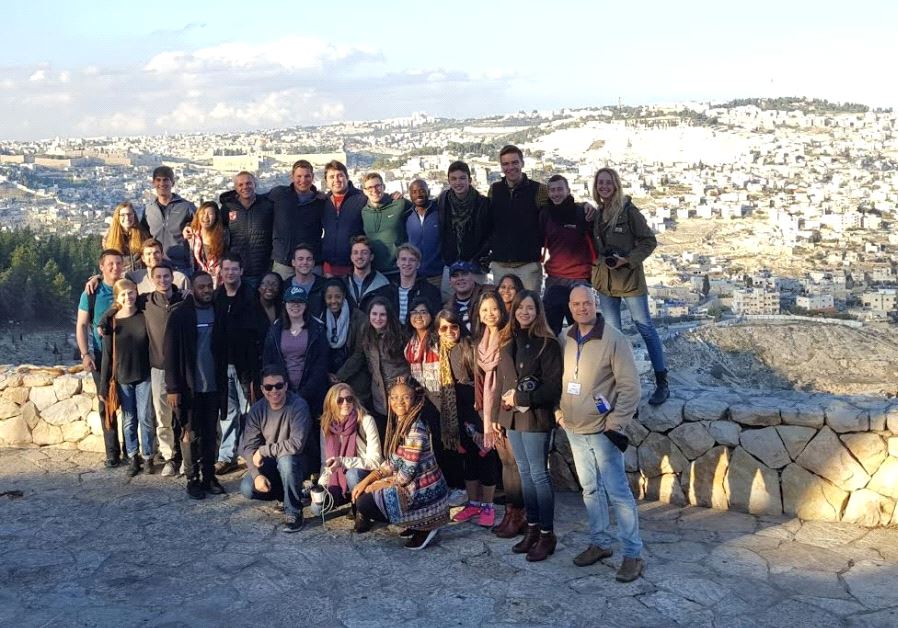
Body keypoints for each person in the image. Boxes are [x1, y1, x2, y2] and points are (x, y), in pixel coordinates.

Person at [558, 285, 644, 582]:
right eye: (576, 304)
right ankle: (600, 543)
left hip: (603, 430)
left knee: (618, 493)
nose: (582, 308)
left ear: (596, 304)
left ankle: (633, 554)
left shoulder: (614, 339)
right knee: (590, 490)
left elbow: (630, 386)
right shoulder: (566, 337)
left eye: (587, 303)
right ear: (570, 307)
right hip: (574, 428)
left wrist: (616, 422)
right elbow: (562, 378)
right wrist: (560, 411)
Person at [591, 167, 669, 405]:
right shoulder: (597, 213)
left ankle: (662, 382)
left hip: (629, 279)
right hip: (606, 282)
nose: (604, 186)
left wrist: (628, 259)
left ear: (616, 185)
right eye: (600, 183)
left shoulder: (628, 211)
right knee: (614, 334)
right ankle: (621, 384)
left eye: (608, 182)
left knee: (645, 327)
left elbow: (649, 241)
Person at [496, 290, 562, 561]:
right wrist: (500, 416)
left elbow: (552, 386)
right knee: (524, 474)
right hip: (513, 418)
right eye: (520, 307)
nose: (524, 312)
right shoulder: (509, 340)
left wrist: (521, 397)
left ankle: (547, 534)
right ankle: (532, 529)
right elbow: (503, 382)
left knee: (538, 476)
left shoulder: (547, 344)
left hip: (535, 418)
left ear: (538, 311)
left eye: (530, 307)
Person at [350, 379, 450, 550]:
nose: (399, 402)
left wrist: (376, 485)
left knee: (365, 503)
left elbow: (406, 474)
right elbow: (393, 461)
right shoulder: (401, 423)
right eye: (394, 397)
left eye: (405, 397)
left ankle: (427, 526)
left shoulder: (415, 428)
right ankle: (416, 523)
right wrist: (366, 481)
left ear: (415, 400)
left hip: (423, 490)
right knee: (364, 492)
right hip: (413, 485)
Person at [164, 271, 227, 499]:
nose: (207, 290)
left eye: (209, 286)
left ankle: (208, 476)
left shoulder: (218, 312)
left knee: (211, 434)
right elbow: (169, 355)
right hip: (189, 388)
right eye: (201, 287)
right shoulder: (180, 315)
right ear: (192, 288)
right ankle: (192, 479)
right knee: (188, 433)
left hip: (212, 386)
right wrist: (172, 388)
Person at [436, 309, 499, 526]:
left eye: (453, 326)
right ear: (438, 331)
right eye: (444, 328)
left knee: (486, 457)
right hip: (458, 414)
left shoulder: (469, 346)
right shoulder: (441, 352)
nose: (450, 331)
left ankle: (488, 506)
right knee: (468, 460)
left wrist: (483, 418)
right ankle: (473, 503)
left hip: (478, 411)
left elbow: (481, 383)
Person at [262, 284, 330, 471]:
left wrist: (304, 392)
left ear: (306, 305)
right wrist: (280, 389)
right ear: (285, 304)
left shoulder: (316, 328)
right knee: (286, 433)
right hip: (282, 390)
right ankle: (287, 471)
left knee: (310, 433)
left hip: (311, 390)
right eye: (291, 302)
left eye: (300, 302)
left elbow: (321, 363)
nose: (295, 305)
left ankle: (314, 472)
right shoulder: (276, 329)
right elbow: (269, 360)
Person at [240, 365, 312, 533]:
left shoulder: (298, 406)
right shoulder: (257, 409)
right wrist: (256, 475)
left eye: (279, 385)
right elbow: (248, 447)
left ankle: (294, 511)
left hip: (298, 460)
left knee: (286, 460)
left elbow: (296, 444)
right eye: (268, 387)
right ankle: (284, 496)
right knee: (247, 487)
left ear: (286, 386)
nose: (274, 391)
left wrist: (263, 451)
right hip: (273, 463)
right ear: (262, 389)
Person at [99, 279, 154, 477]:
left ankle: (148, 456)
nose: (128, 297)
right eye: (123, 294)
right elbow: (107, 355)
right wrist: (104, 384)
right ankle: (133, 456)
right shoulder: (111, 322)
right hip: (122, 377)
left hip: (144, 375)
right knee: (129, 420)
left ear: (136, 293)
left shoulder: (144, 316)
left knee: (146, 418)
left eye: (130, 293)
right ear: (117, 298)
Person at [335, 296, 409, 441]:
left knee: (402, 436)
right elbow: (358, 356)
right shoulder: (366, 332)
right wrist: (340, 376)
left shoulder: (400, 333)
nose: (378, 318)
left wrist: (407, 379)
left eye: (382, 314)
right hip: (379, 395)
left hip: (400, 390)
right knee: (384, 436)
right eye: (374, 314)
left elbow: (411, 361)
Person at [76, 249, 124, 467]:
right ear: (101, 267)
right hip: (100, 355)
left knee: (131, 404)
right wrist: (85, 354)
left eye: (119, 263)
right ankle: (112, 453)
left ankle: (133, 452)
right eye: (110, 264)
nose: (115, 267)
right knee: (106, 402)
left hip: (126, 354)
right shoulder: (91, 293)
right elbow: (81, 325)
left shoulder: (127, 288)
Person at [213, 253, 261, 475]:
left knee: (250, 413)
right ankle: (227, 456)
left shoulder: (252, 297)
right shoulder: (216, 297)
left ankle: (252, 455)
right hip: (223, 364)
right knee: (228, 413)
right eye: (226, 269)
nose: (230, 273)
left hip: (246, 366)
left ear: (242, 271)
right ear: (221, 272)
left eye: (234, 269)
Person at [138, 261, 184, 477]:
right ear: (153, 278)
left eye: (166, 276)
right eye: (159, 277)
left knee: (184, 414)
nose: (163, 280)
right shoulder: (145, 301)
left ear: (172, 277)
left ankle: (186, 457)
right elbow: (121, 298)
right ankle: (169, 458)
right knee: (162, 416)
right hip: (158, 367)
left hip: (183, 367)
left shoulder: (184, 300)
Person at [472, 291, 511, 530]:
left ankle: (518, 511)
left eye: (494, 309)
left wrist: (501, 410)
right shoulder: (481, 340)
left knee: (512, 463)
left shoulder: (509, 337)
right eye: (485, 310)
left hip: (505, 406)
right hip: (486, 407)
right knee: (500, 460)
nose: (490, 314)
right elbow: (479, 376)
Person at [488, 145, 548, 293]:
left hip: (527, 265)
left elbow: (557, 205)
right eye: (505, 164)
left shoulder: (538, 190)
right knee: (502, 310)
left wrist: (584, 206)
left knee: (529, 309)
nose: (510, 167)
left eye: (514, 162)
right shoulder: (495, 190)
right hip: (500, 264)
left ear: (522, 163)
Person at [541, 175, 595, 334]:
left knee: (583, 328)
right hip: (555, 278)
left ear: (568, 190)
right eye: (552, 190)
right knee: (549, 329)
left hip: (580, 279)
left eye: (559, 189)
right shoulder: (545, 214)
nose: (556, 194)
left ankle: (584, 359)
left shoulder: (581, 212)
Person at [317, 383, 383, 509]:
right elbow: (324, 461)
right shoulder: (326, 425)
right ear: (331, 403)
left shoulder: (365, 420)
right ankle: (344, 495)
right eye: (340, 400)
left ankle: (360, 510)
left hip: (364, 473)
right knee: (317, 508)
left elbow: (375, 461)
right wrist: (322, 483)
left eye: (349, 399)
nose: (345, 403)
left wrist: (342, 462)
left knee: (352, 474)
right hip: (336, 477)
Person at [436, 160, 491, 297]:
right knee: (449, 304)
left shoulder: (482, 203)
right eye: (453, 179)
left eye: (462, 178)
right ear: (448, 181)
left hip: (475, 265)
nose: (458, 183)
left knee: (476, 304)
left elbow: (490, 234)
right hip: (451, 264)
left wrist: (479, 258)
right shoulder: (443, 200)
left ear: (470, 180)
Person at [269, 160, 325, 280]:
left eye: (307, 176)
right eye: (299, 176)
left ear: (313, 177)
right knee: (282, 295)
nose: (303, 180)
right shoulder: (279, 195)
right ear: (292, 177)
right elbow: (257, 202)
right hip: (284, 261)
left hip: (311, 261)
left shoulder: (321, 201)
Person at [219, 171, 273, 291]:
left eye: (248, 183)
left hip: (262, 269)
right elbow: (215, 228)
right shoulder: (228, 207)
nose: (245, 187)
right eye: (240, 185)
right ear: (235, 188)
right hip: (237, 271)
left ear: (255, 184)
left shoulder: (267, 206)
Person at [140, 165, 195, 273]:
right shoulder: (148, 209)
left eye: (166, 180)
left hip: (181, 266)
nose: (162, 184)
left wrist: (189, 226)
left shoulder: (186, 206)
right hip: (156, 267)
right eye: (158, 180)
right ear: (153, 183)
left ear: (172, 183)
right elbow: (142, 234)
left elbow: (201, 225)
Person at [321, 279, 369, 399]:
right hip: (326, 374)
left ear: (344, 296)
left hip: (353, 374)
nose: (333, 301)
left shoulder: (360, 318)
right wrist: (327, 374)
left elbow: (359, 353)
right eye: (329, 297)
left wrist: (340, 376)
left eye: (337, 297)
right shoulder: (319, 317)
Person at [321, 160, 366, 278]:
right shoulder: (322, 202)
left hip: (354, 266)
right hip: (328, 267)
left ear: (347, 177)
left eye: (340, 175)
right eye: (331, 177)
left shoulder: (362, 198)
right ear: (326, 181)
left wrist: (392, 197)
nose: (336, 180)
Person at [360, 173, 407, 280]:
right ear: (364, 191)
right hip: (374, 273)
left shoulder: (399, 204)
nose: (374, 190)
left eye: (377, 186)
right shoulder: (363, 212)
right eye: (370, 188)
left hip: (398, 271)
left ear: (383, 186)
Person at [388, 243, 442, 324]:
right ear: (397, 263)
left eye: (412, 260)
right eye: (403, 259)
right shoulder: (388, 291)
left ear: (418, 264)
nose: (407, 263)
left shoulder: (431, 292)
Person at [403, 179, 442, 285]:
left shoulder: (440, 212)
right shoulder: (406, 216)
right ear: (409, 195)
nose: (418, 195)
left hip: (438, 275)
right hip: (414, 276)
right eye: (414, 192)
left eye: (422, 191)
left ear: (428, 192)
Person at [344, 235, 391, 311]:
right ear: (351, 257)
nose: (359, 256)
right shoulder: (344, 283)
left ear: (371, 257)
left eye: (364, 253)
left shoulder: (383, 283)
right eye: (355, 253)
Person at [189, 201, 229, 287]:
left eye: (210, 214)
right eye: (203, 213)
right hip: (197, 280)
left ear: (216, 217)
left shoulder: (224, 235)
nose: (206, 217)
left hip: (219, 280)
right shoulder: (193, 235)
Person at [103, 201, 148, 273]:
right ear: (117, 217)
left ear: (134, 215)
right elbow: (107, 261)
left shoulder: (143, 234)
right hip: (121, 278)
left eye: (129, 214)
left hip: (140, 276)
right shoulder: (109, 237)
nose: (127, 217)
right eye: (123, 215)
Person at [285, 244, 326, 319]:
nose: (305, 262)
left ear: (313, 263)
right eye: (300, 259)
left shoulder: (324, 285)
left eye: (309, 259)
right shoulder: (285, 286)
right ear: (293, 262)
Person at [444, 260, 487, 332]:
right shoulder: (447, 308)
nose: (460, 278)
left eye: (464, 274)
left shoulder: (487, 295)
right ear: (450, 281)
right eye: (455, 276)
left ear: (473, 276)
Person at [254, 271, 284, 347]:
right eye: (266, 284)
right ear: (259, 287)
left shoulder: (283, 309)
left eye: (275, 284)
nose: (270, 288)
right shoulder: (250, 309)